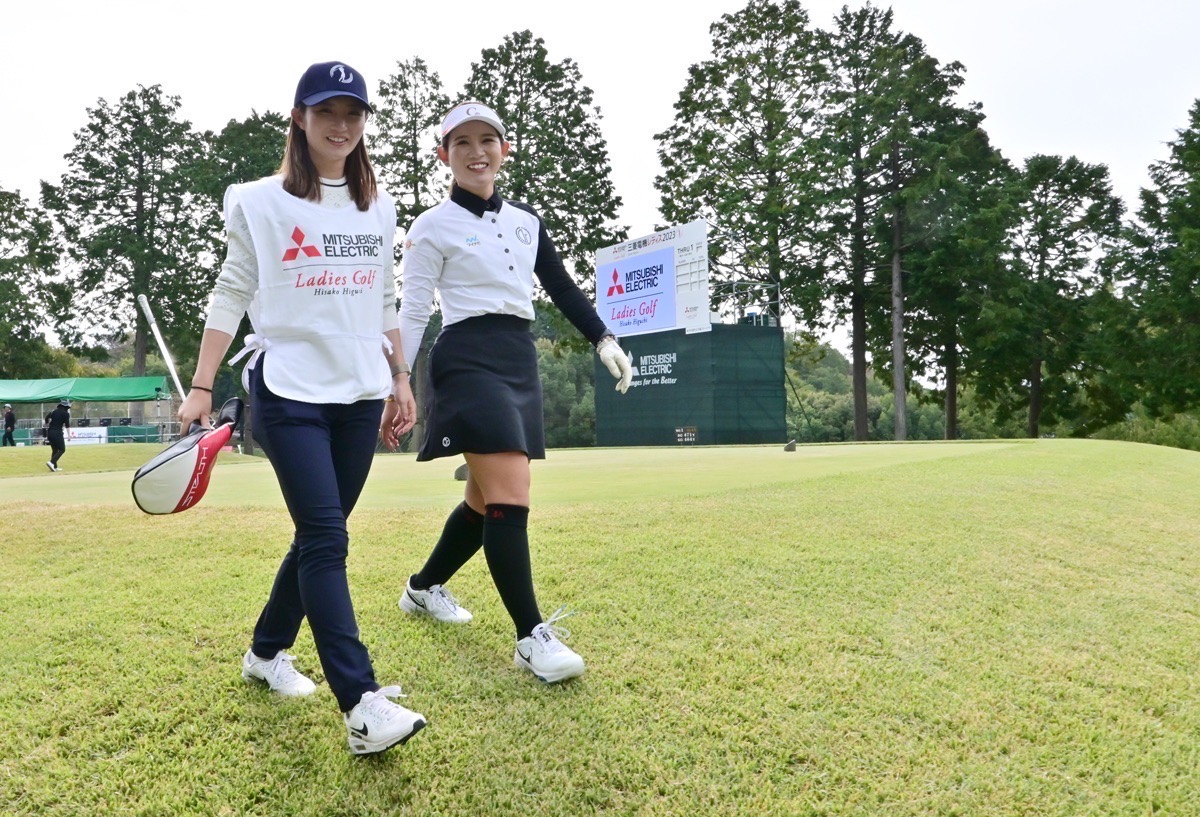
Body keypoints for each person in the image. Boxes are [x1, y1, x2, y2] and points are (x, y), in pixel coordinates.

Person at [177, 61, 425, 756]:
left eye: (354, 113)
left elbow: (382, 299)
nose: (341, 126)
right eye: (327, 112)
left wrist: (400, 376)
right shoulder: (257, 200)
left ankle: (264, 652)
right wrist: (201, 386)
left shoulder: (378, 205)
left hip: (359, 391)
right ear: (299, 118)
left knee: (320, 532)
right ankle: (361, 701)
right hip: (287, 392)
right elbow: (231, 292)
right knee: (327, 537)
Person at [385, 101, 632, 684]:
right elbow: (415, 309)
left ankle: (421, 589)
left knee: (483, 499)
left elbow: (562, 287)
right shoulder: (431, 225)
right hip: (466, 358)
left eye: (487, 140)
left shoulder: (527, 221)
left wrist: (604, 339)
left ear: (505, 149)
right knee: (512, 492)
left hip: (517, 357)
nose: (476, 152)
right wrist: (395, 377)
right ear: (444, 155)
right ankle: (530, 636)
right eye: (461, 142)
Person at [44, 399, 70, 471]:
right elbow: (67, 425)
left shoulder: (53, 411)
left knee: (55, 450)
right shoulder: (66, 414)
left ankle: (54, 467)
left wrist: (47, 424)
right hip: (57, 433)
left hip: (50, 432)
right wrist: (69, 435)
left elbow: (46, 418)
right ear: (66, 407)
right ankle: (51, 462)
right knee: (62, 449)